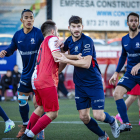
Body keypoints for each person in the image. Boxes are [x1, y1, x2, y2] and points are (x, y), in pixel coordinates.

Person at [55, 16, 120, 140]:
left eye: (78, 26)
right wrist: (56, 73)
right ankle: (103, 136)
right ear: (69, 28)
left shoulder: (87, 41)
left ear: (82, 27)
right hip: (80, 84)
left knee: (98, 115)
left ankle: (112, 121)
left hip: (94, 83)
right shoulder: (68, 41)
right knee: (84, 117)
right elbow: (61, 56)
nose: (76, 29)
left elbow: (86, 64)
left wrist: (68, 59)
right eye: (73, 26)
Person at [20, 20, 81, 140]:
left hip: (36, 79)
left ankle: (27, 131)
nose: (57, 34)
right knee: (53, 113)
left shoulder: (43, 43)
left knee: (40, 108)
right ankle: (29, 135)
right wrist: (76, 57)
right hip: (46, 80)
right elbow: (57, 56)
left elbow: (55, 57)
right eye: (57, 31)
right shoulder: (52, 39)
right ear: (53, 31)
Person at [0, 9, 44, 139]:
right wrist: (5, 53)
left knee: (37, 104)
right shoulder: (17, 35)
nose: (29, 20)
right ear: (22, 20)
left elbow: (46, 47)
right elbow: (10, 49)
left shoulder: (38, 34)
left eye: (31, 17)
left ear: (33, 20)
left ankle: (40, 129)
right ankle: (25, 125)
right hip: (25, 74)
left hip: (38, 73)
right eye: (26, 17)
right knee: (22, 101)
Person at [109, 12, 140, 133]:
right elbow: (123, 57)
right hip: (131, 75)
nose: (134, 22)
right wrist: (116, 72)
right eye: (131, 20)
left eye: (136, 20)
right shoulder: (124, 39)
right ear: (127, 23)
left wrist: (139, 64)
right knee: (117, 93)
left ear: (138, 22)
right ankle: (126, 123)